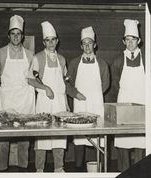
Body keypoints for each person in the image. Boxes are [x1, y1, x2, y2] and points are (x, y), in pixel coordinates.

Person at [28, 21, 85, 172]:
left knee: (59, 136)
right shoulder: (37, 58)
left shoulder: (62, 59)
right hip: (44, 101)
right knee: (41, 137)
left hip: (59, 101)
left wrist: (73, 95)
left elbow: (64, 82)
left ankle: (59, 168)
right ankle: (39, 170)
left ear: (57, 41)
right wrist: (45, 87)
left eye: (53, 39)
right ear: (43, 42)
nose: (51, 43)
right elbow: (30, 79)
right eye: (48, 40)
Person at [0, 15, 35, 172]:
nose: (16, 36)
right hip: (6, 98)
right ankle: (1, 170)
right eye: (13, 33)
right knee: (3, 137)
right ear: (9, 35)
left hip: (25, 98)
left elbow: (33, 77)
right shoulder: (0, 53)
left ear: (22, 36)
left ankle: (23, 169)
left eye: (18, 33)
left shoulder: (30, 54)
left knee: (24, 138)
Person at [67, 26, 110, 170]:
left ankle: (101, 168)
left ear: (95, 45)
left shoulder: (102, 64)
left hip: (96, 104)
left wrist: (95, 94)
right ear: (81, 45)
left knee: (99, 136)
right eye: (84, 43)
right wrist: (75, 94)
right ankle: (79, 167)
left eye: (89, 43)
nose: (87, 46)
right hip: (80, 104)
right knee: (80, 137)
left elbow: (106, 83)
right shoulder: (73, 63)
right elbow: (66, 84)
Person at [111, 19, 145, 172]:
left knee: (141, 142)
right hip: (124, 103)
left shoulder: (147, 59)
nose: (130, 43)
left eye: (133, 39)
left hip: (142, 102)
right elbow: (115, 84)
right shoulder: (118, 60)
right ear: (123, 41)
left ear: (139, 40)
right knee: (123, 141)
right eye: (127, 40)